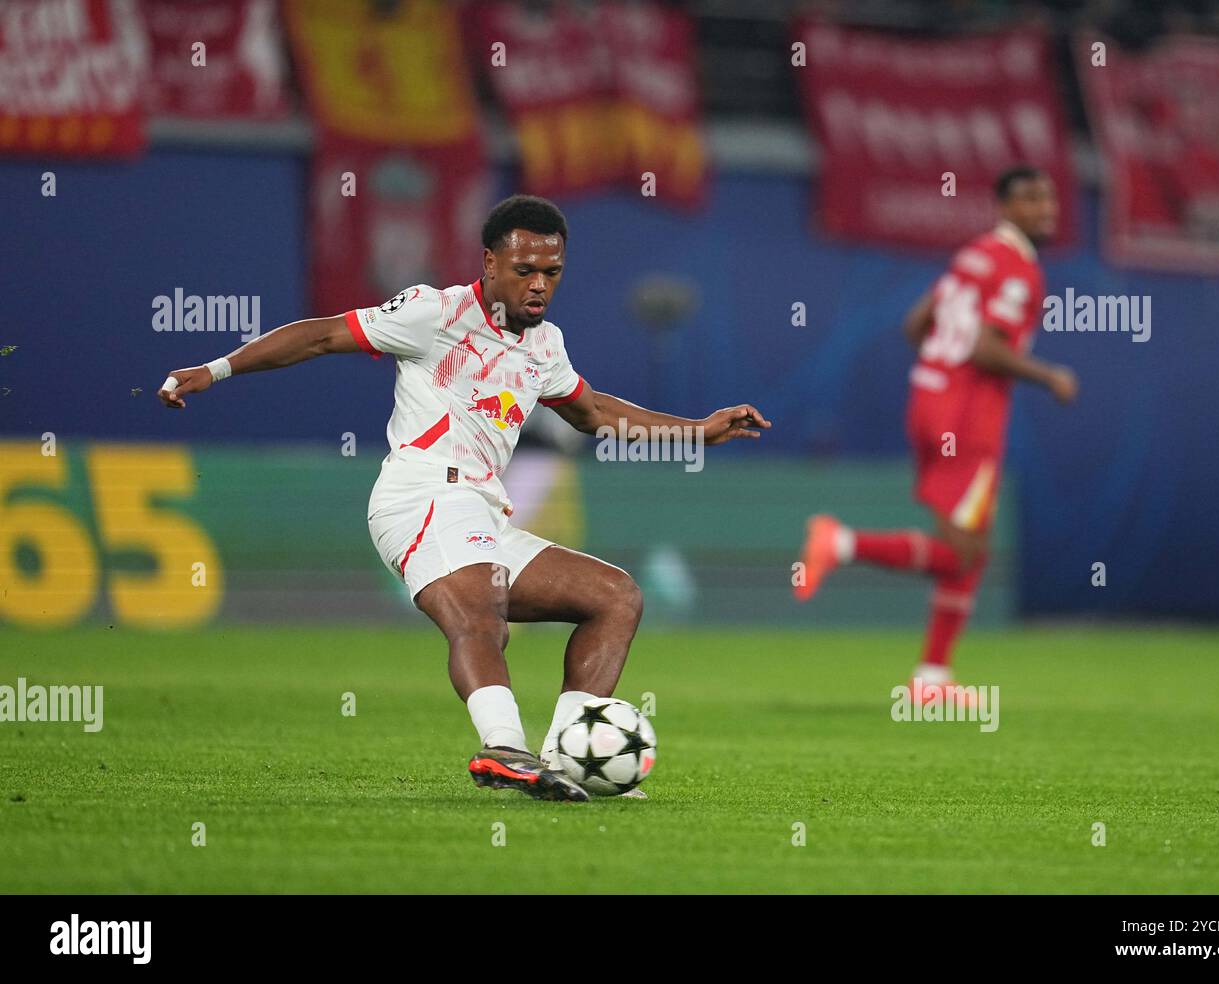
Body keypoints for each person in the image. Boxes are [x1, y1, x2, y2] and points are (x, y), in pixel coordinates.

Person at [159, 194, 770, 801]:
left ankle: (565, 761)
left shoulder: (545, 346)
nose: (538, 285)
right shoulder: (435, 313)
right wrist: (214, 370)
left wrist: (698, 431)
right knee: (482, 613)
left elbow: (593, 412)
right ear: (489, 264)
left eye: (551, 273)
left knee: (614, 597)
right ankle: (504, 747)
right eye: (524, 270)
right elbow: (321, 337)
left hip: (481, 509)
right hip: (420, 494)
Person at [794, 167, 1077, 703]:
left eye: (1048, 198)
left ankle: (933, 678)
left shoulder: (973, 255)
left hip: (929, 400)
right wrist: (1050, 376)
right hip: (968, 418)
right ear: (1004, 207)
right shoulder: (1018, 269)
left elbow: (914, 324)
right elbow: (985, 349)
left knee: (974, 547)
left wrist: (939, 374)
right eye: (1031, 200)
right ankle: (842, 542)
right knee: (964, 553)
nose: (1045, 209)